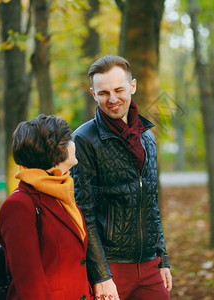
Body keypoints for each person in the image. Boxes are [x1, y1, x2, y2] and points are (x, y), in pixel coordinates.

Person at [71, 55, 172, 300]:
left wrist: (162, 258)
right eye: (104, 92)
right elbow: (84, 213)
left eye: (119, 90)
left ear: (133, 87)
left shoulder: (146, 136)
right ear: (93, 93)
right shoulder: (83, 140)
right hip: (111, 268)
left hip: (149, 264)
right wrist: (102, 275)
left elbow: (150, 203)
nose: (113, 99)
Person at [0, 114, 91, 300]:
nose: (74, 144)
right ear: (56, 151)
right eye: (69, 140)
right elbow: (29, 281)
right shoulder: (19, 206)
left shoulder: (61, 191)